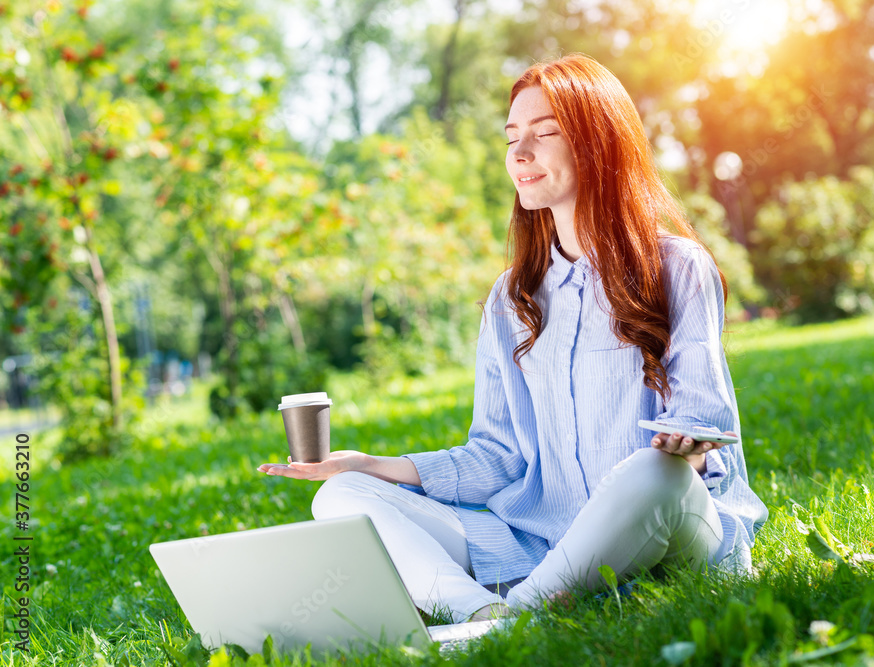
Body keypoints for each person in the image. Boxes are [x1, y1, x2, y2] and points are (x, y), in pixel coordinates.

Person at [258, 54, 767, 624]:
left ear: (600, 145)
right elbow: (496, 455)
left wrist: (689, 444)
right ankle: (477, 613)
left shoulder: (677, 266)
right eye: (511, 138)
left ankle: (518, 616)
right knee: (341, 497)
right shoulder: (512, 299)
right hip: (537, 542)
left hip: (671, 527)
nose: (519, 155)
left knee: (651, 471)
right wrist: (373, 465)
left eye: (544, 135)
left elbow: (702, 419)